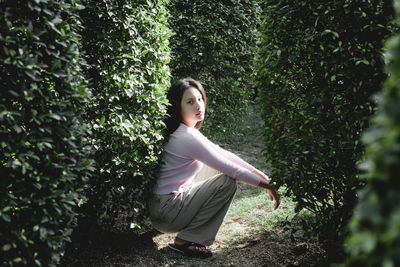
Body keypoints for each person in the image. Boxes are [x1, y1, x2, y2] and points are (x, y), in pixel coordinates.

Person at [149, 78, 280, 258]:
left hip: (162, 208)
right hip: (166, 212)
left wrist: (261, 175)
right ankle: (186, 240)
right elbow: (230, 169)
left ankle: (187, 237)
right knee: (226, 181)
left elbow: (223, 155)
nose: (198, 106)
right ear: (178, 108)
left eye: (200, 99)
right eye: (190, 102)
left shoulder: (185, 132)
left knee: (217, 170)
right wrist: (267, 186)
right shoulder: (186, 138)